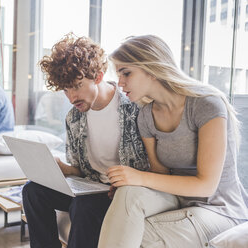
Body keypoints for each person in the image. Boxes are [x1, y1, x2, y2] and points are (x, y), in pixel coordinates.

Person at [98, 35, 248, 248]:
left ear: (151, 69)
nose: (119, 83)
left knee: (134, 235)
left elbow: (206, 186)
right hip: (178, 200)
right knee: (127, 195)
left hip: (219, 209)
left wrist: (139, 177)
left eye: (126, 73)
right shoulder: (146, 116)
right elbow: (160, 175)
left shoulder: (206, 105)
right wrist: (131, 181)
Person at [22, 33, 149, 248]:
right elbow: (82, 170)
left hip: (120, 192)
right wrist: (63, 169)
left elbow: (150, 165)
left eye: (77, 85)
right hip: (91, 187)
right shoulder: (74, 117)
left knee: (83, 206)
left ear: (98, 76)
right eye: (65, 89)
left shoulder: (133, 108)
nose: (71, 97)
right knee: (32, 191)